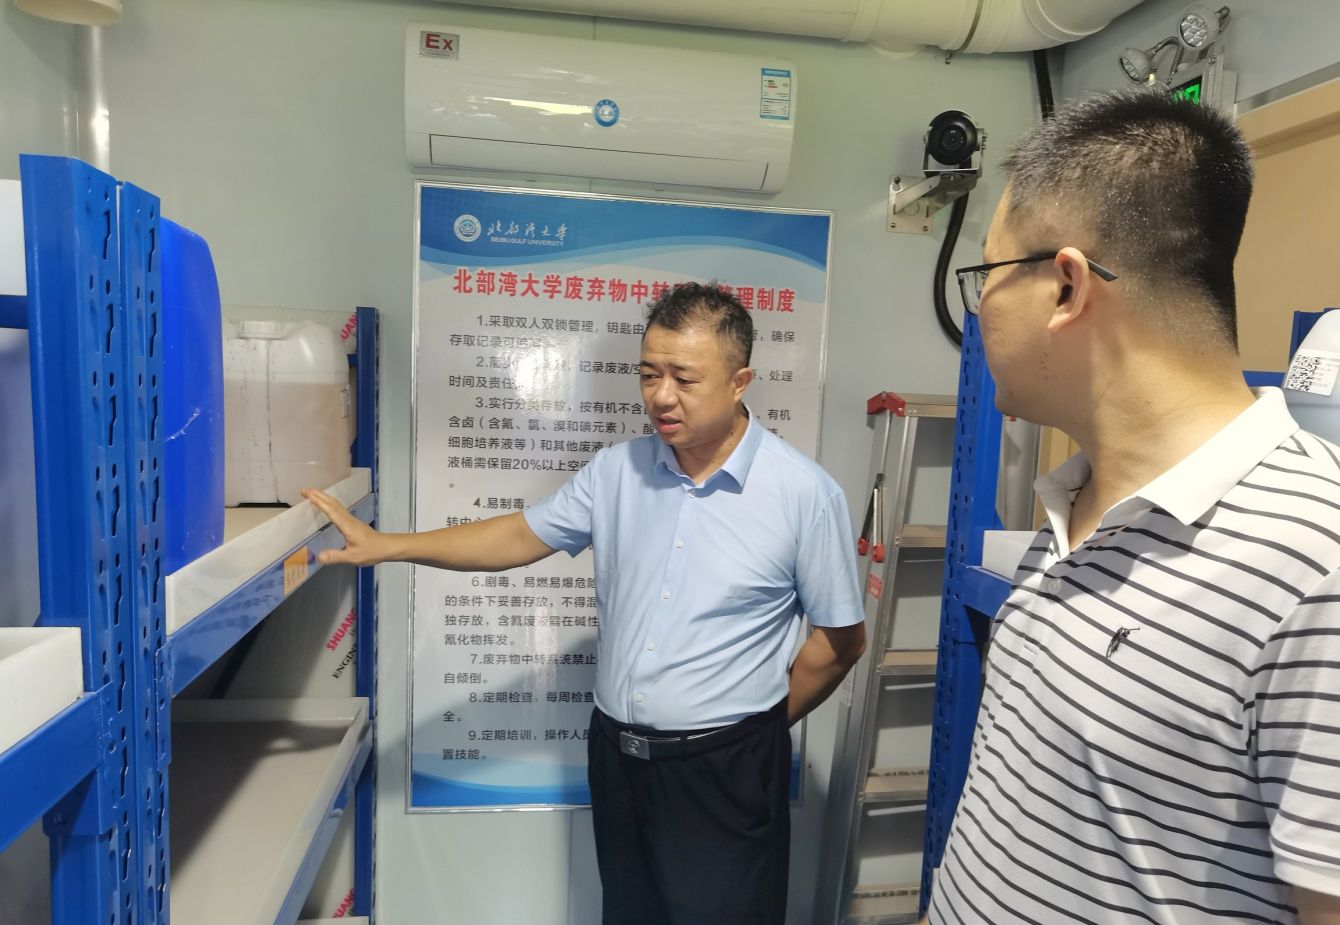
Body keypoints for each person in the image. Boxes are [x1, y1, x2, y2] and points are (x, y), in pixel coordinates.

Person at [305, 282, 867, 925]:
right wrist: (389, 546)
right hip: (618, 758)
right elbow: (518, 536)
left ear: (741, 382)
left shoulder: (803, 494)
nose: (660, 396)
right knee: (629, 913)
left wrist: (756, 730)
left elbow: (840, 643)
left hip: (727, 769)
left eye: (684, 378)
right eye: (648, 374)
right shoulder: (616, 471)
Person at [924, 88, 1340, 924]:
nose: (979, 312)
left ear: (1066, 286)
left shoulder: (1315, 565)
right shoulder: (1072, 504)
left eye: (986, 277)